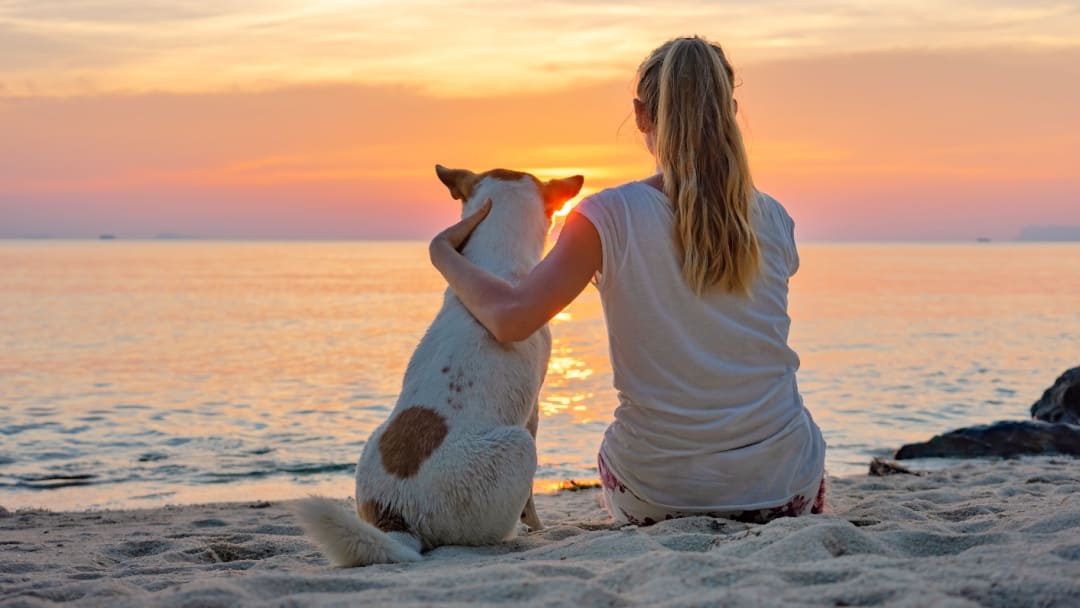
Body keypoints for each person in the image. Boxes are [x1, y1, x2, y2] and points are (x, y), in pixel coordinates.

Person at [428, 36, 826, 526]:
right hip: (784, 488)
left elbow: (511, 320)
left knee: (629, 452)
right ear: (731, 110)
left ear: (641, 115)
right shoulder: (774, 218)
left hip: (656, 492)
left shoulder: (607, 216)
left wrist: (443, 253)